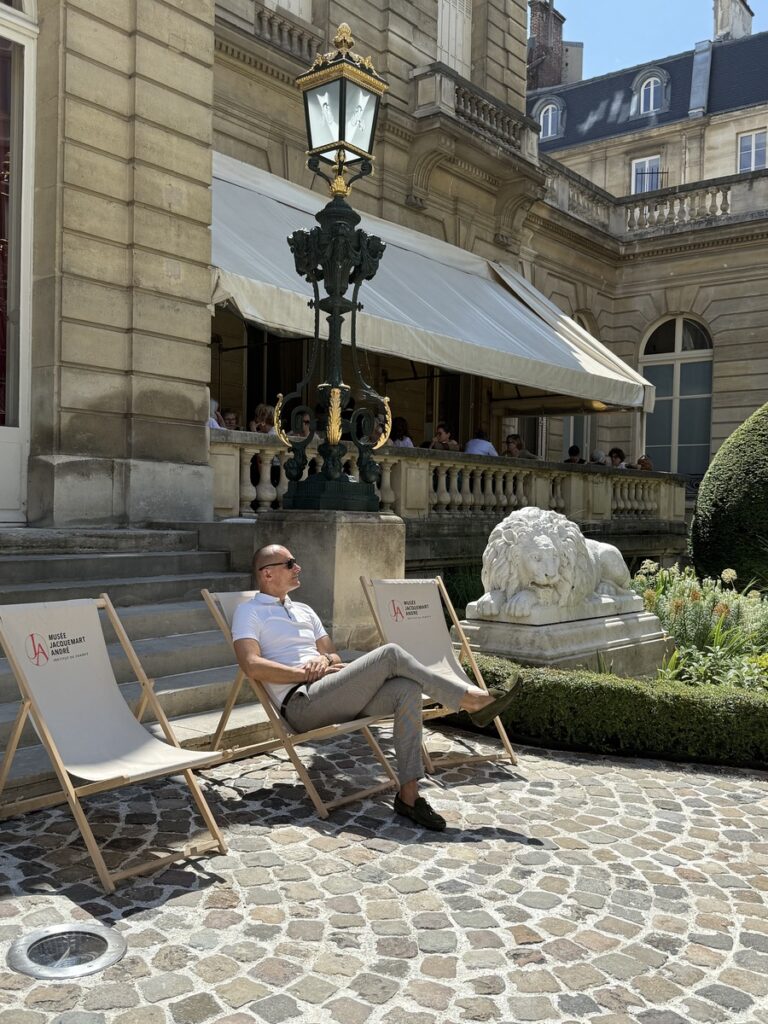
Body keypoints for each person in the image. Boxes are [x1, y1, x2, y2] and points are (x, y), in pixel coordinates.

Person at [232, 545, 518, 831]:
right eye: (290, 563)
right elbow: (251, 664)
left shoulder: (304, 610)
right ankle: (471, 700)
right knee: (390, 653)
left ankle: (408, 796)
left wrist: (322, 659)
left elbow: (334, 656)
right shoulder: (250, 612)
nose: (298, 568)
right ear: (267, 573)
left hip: (333, 690)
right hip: (302, 704)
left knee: (406, 688)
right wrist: (300, 673)